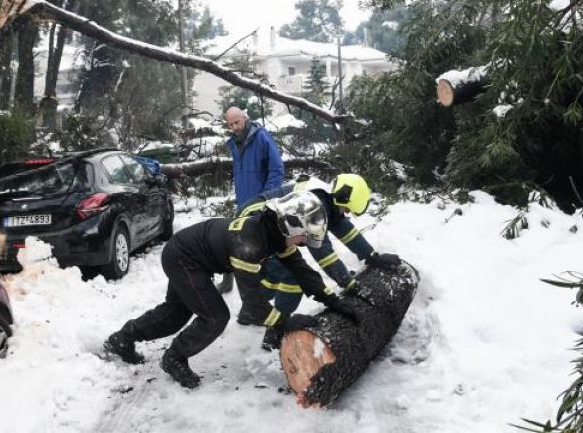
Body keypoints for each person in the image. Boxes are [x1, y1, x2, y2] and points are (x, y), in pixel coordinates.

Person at [103, 191, 359, 389]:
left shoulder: (276, 234)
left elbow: (303, 271)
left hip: (192, 256)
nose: (304, 243)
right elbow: (254, 306)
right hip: (183, 258)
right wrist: (286, 322)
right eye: (303, 236)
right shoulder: (249, 244)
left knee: (176, 313)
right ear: (291, 225)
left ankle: (122, 339)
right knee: (214, 317)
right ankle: (173, 358)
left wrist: (331, 299)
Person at [236, 174, 402, 348]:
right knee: (291, 276)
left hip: (265, 223)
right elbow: (322, 252)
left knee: (275, 273)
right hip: (251, 221)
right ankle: (276, 330)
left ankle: (250, 311)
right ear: (341, 197)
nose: (345, 214)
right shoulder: (317, 204)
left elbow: (346, 231)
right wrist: (348, 283)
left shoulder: (330, 200)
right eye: (346, 209)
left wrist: (371, 255)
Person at [216, 106, 285, 294]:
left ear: (244, 118)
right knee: (237, 242)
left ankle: (275, 285)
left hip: (262, 204)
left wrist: (266, 197)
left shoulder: (261, 137)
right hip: (244, 204)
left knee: (267, 246)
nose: (234, 128)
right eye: (230, 125)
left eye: (236, 122)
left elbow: (277, 168)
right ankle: (230, 280)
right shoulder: (234, 144)